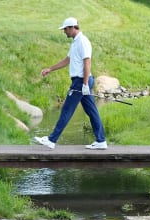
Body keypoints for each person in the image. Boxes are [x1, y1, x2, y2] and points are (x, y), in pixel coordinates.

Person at [34, 17, 107, 150]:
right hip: (81, 82)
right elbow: (67, 60)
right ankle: (101, 140)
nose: (64, 32)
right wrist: (50, 69)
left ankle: (51, 140)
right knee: (92, 111)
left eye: (65, 29)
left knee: (66, 110)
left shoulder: (83, 42)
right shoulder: (75, 42)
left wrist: (85, 84)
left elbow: (87, 63)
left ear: (72, 27)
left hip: (80, 82)